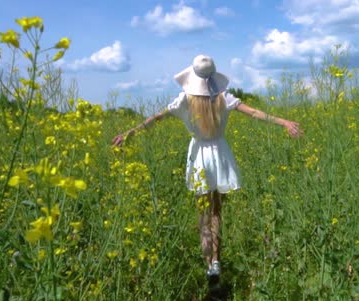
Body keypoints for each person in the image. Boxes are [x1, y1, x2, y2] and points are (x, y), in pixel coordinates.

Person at [112, 55, 303, 280]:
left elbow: (156, 118)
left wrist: (129, 133)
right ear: (213, 77)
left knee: (202, 213)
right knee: (216, 213)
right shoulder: (224, 97)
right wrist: (284, 122)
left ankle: (208, 265)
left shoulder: (184, 100)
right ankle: (216, 261)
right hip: (220, 154)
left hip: (199, 155)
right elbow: (254, 113)